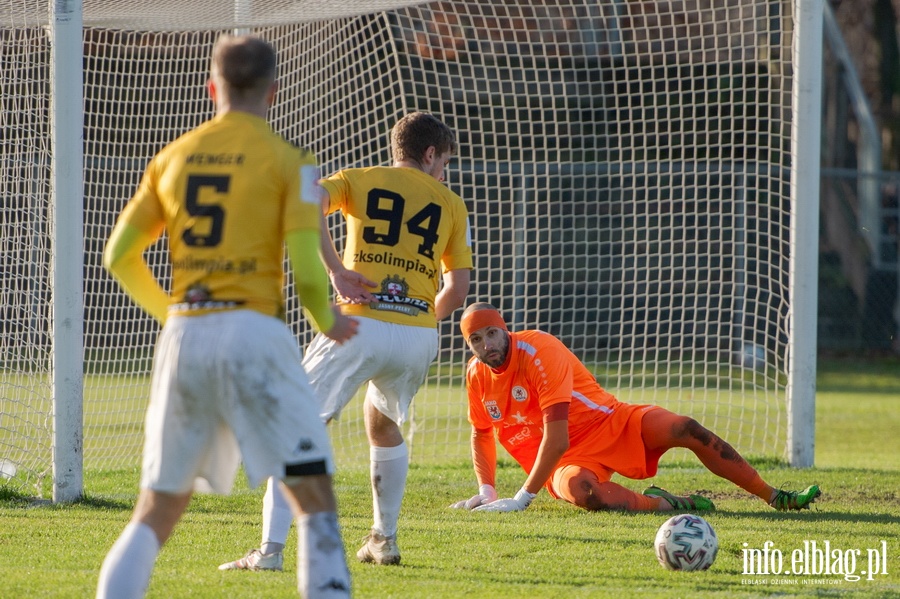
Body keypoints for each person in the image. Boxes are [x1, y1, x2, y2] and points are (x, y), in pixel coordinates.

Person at [96, 34, 357, 599]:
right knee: (313, 499)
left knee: (158, 507)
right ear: (273, 92)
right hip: (255, 331)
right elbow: (308, 267)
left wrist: (174, 315)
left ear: (211, 87)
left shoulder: (172, 156)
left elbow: (119, 255)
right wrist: (324, 319)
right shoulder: (292, 160)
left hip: (187, 331)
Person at [218, 111, 473, 570]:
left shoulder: (359, 179)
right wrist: (413, 315)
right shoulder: (452, 204)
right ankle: (384, 539)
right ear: (430, 153)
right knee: (384, 422)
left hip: (359, 324)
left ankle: (271, 552)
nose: (444, 171)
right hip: (419, 336)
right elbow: (457, 290)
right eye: (444, 162)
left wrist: (336, 270)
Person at [450, 302, 822, 514]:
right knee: (587, 494)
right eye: (476, 340)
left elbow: (556, 436)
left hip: (612, 421)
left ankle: (774, 496)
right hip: (565, 461)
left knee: (685, 427)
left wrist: (521, 499)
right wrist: (487, 491)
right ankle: (671, 504)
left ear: (506, 329)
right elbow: (482, 431)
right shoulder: (476, 375)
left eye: (492, 333)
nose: (487, 345)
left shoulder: (538, 350)